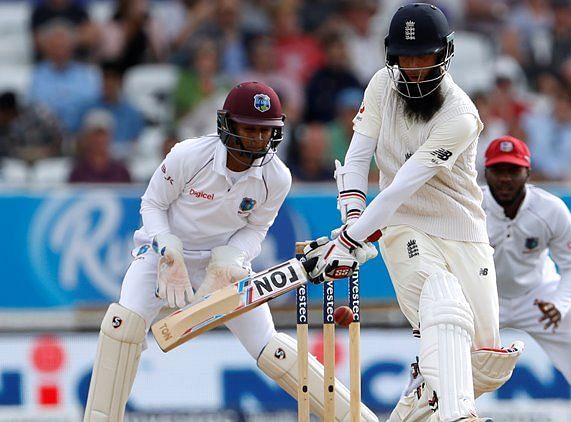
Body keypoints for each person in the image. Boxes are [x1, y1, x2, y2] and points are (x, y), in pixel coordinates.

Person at [83, 82, 377, 422]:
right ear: (228, 125)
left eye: (265, 131)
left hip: (223, 269)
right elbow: (152, 204)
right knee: (123, 327)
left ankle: (358, 419)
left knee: (272, 348)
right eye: (248, 128)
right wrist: (166, 247)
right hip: (160, 257)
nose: (256, 138)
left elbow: (256, 228)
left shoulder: (277, 178)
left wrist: (230, 259)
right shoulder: (189, 155)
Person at [302, 4, 522, 421]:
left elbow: (404, 182)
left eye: (425, 56)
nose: (416, 67)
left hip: (462, 230)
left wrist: (350, 241)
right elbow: (356, 160)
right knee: (440, 296)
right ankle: (460, 416)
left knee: (485, 362)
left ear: (444, 55)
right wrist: (353, 219)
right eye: (406, 58)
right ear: (391, 56)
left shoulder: (459, 114)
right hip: (402, 224)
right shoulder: (381, 87)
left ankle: (421, 402)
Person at [482, 136, 571, 421]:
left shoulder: (550, 209)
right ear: (486, 172)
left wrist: (559, 303)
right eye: (498, 170)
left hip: (538, 296)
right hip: (484, 298)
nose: (505, 178)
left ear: (528, 172)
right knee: (443, 350)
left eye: (513, 170)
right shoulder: (471, 206)